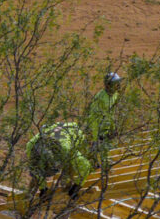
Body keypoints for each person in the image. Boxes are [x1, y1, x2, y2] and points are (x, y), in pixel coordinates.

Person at [28, 71, 123, 199]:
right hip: (70, 131)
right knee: (74, 163)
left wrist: (76, 187)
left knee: (77, 165)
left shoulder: (60, 148)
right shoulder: (32, 146)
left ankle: (67, 182)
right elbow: (35, 169)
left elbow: (84, 166)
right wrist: (43, 189)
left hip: (73, 135)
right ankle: (41, 189)